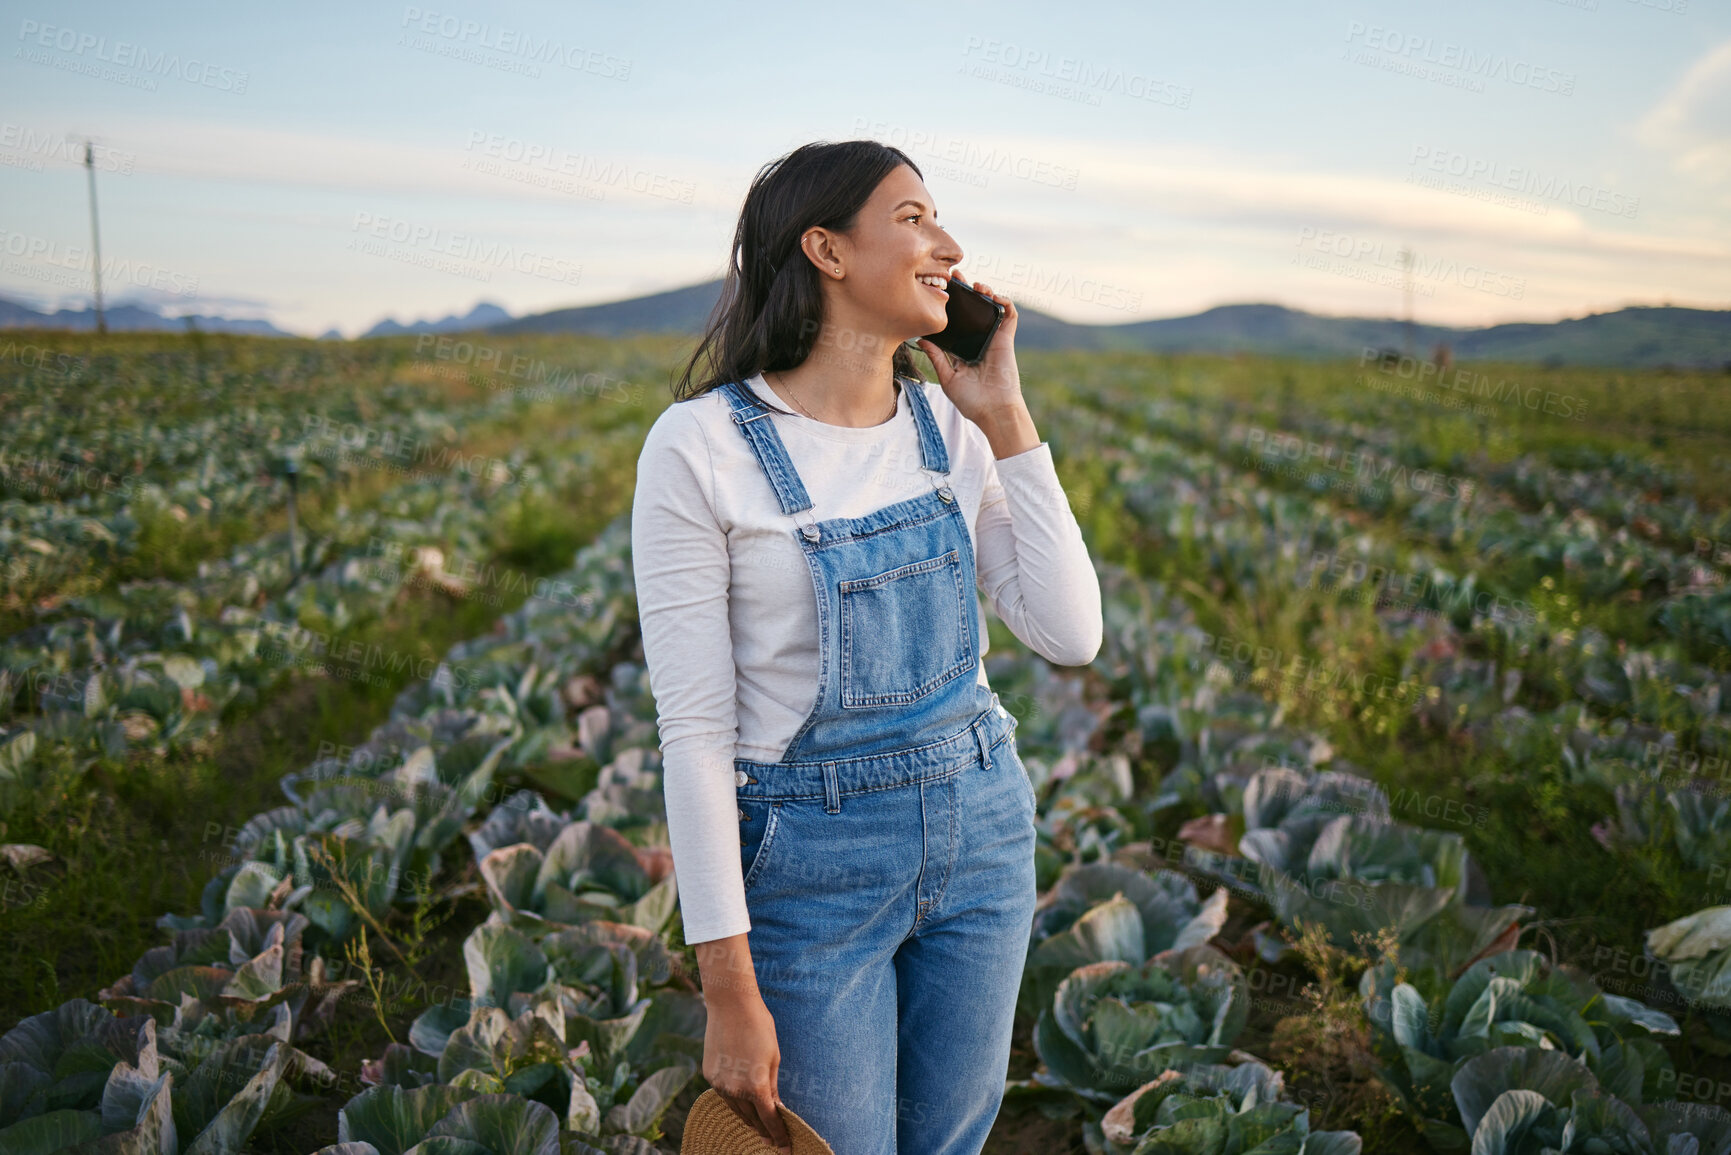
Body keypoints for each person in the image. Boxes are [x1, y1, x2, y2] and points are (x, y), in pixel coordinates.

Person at [630, 139, 1103, 1155]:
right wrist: (726, 988)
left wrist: (1007, 414)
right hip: (809, 863)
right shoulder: (701, 447)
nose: (948, 243)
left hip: (982, 829)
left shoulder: (951, 427)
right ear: (826, 251)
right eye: (913, 218)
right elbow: (697, 732)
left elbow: (1070, 634)